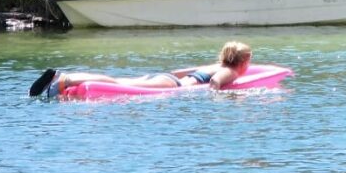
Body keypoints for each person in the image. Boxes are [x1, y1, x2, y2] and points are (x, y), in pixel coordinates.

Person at [29, 41, 252, 97]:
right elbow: (215, 84)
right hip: (170, 85)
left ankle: (64, 82)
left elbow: (178, 71)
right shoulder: (230, 71)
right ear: (243, 61)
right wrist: (234, 96)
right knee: (114, 83)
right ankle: (64, 80)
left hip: (164, 77)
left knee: (119, 80)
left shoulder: (214, 65)